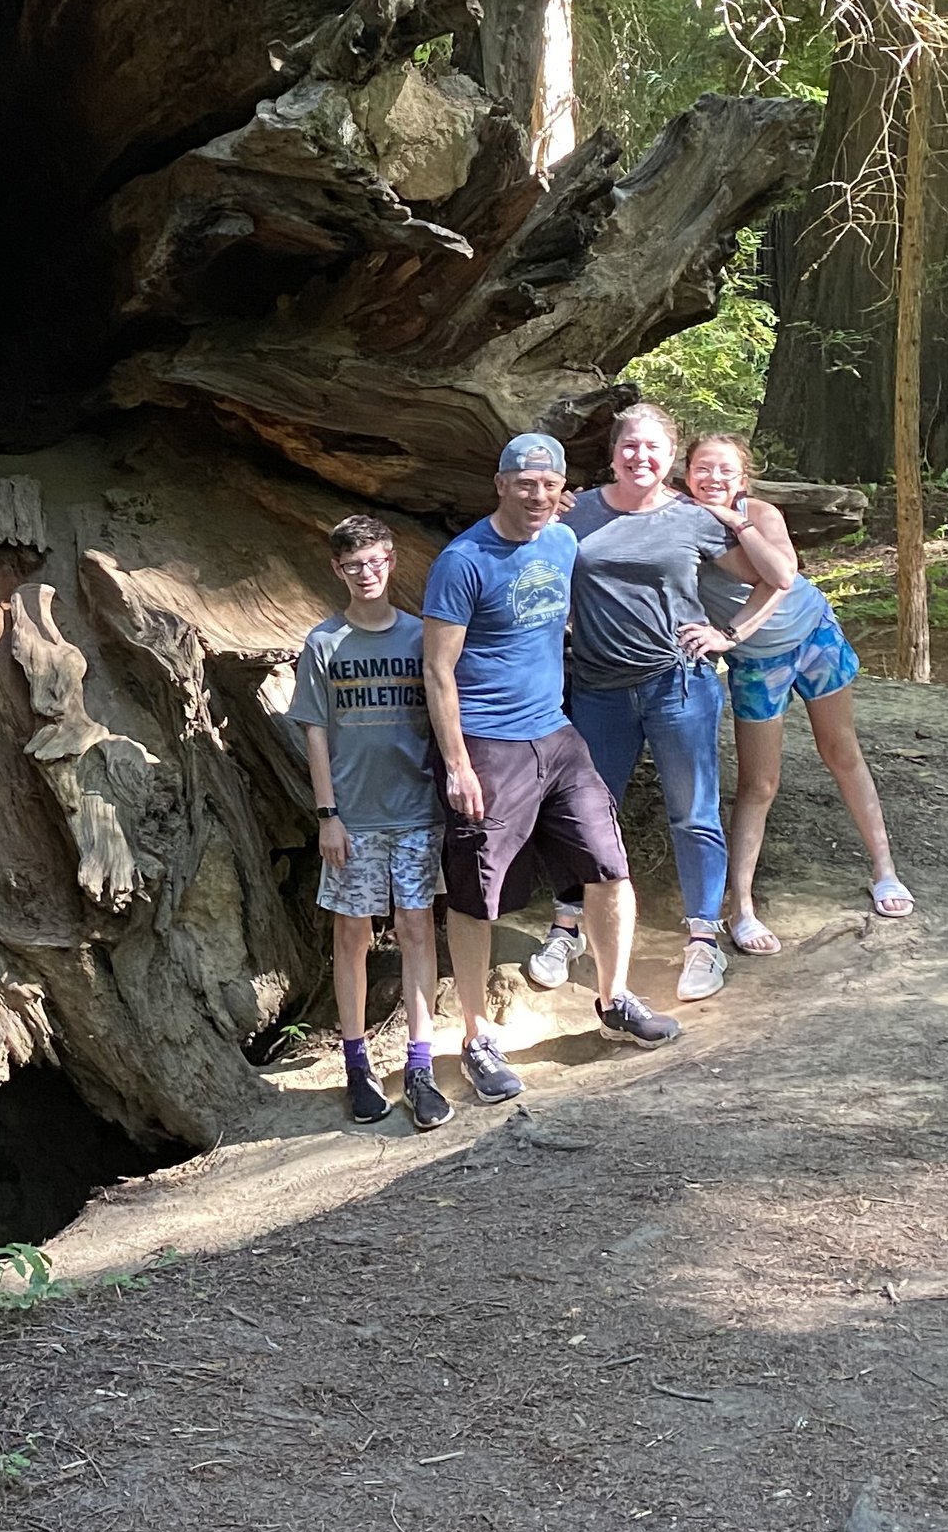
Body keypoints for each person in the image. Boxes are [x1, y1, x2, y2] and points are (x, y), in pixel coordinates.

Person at [421, 431, 680, 1090]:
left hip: (556, 736)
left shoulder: (562, 540)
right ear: (502, 484)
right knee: (478, 894)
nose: (538, 495)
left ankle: (613, 1000)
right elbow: (438, 669)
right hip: (486, 743)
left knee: (609, 864)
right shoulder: (463, 560)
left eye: (550, 484)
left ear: (563, 489)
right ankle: (479, 1037)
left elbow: (641, 508)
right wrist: (457, 763)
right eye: (525, 483)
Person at [521, 401, 796, 1005]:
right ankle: (567, 929)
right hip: (598, 690)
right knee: (588, 813)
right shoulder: (580, 512)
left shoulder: (694, 518)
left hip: (680, 685)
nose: (640, 456)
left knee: (692, 813)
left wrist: (732, 634)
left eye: (653, 448)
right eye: (629, 446)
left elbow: (776, 576)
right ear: (613, 452)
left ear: (670, 457)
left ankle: (704, 940)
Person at [684, 430, 915, 943]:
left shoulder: (760, 514)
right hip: (757, 664)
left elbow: (782, 576)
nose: (713, 479)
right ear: (687, 474)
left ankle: (885, 870)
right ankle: (741, 907)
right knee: (759, 784)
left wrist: (738, 527)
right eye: (703, 468)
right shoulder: (678, 519)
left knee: (842, 752)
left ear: (742, 478)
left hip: (814, 636)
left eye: (725, 470)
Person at [289, 512, 451, 1131]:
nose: (367, 573)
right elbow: (315, 730)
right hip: (352, 819)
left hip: (416, 811)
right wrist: (328, 815)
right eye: (354, 564)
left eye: (377, 561)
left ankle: (419, 1066)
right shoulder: (324, 643)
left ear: (392, 561)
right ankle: (356, 1063)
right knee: (352, 935)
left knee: (415, 930)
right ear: (337, 569)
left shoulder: (419, 636)